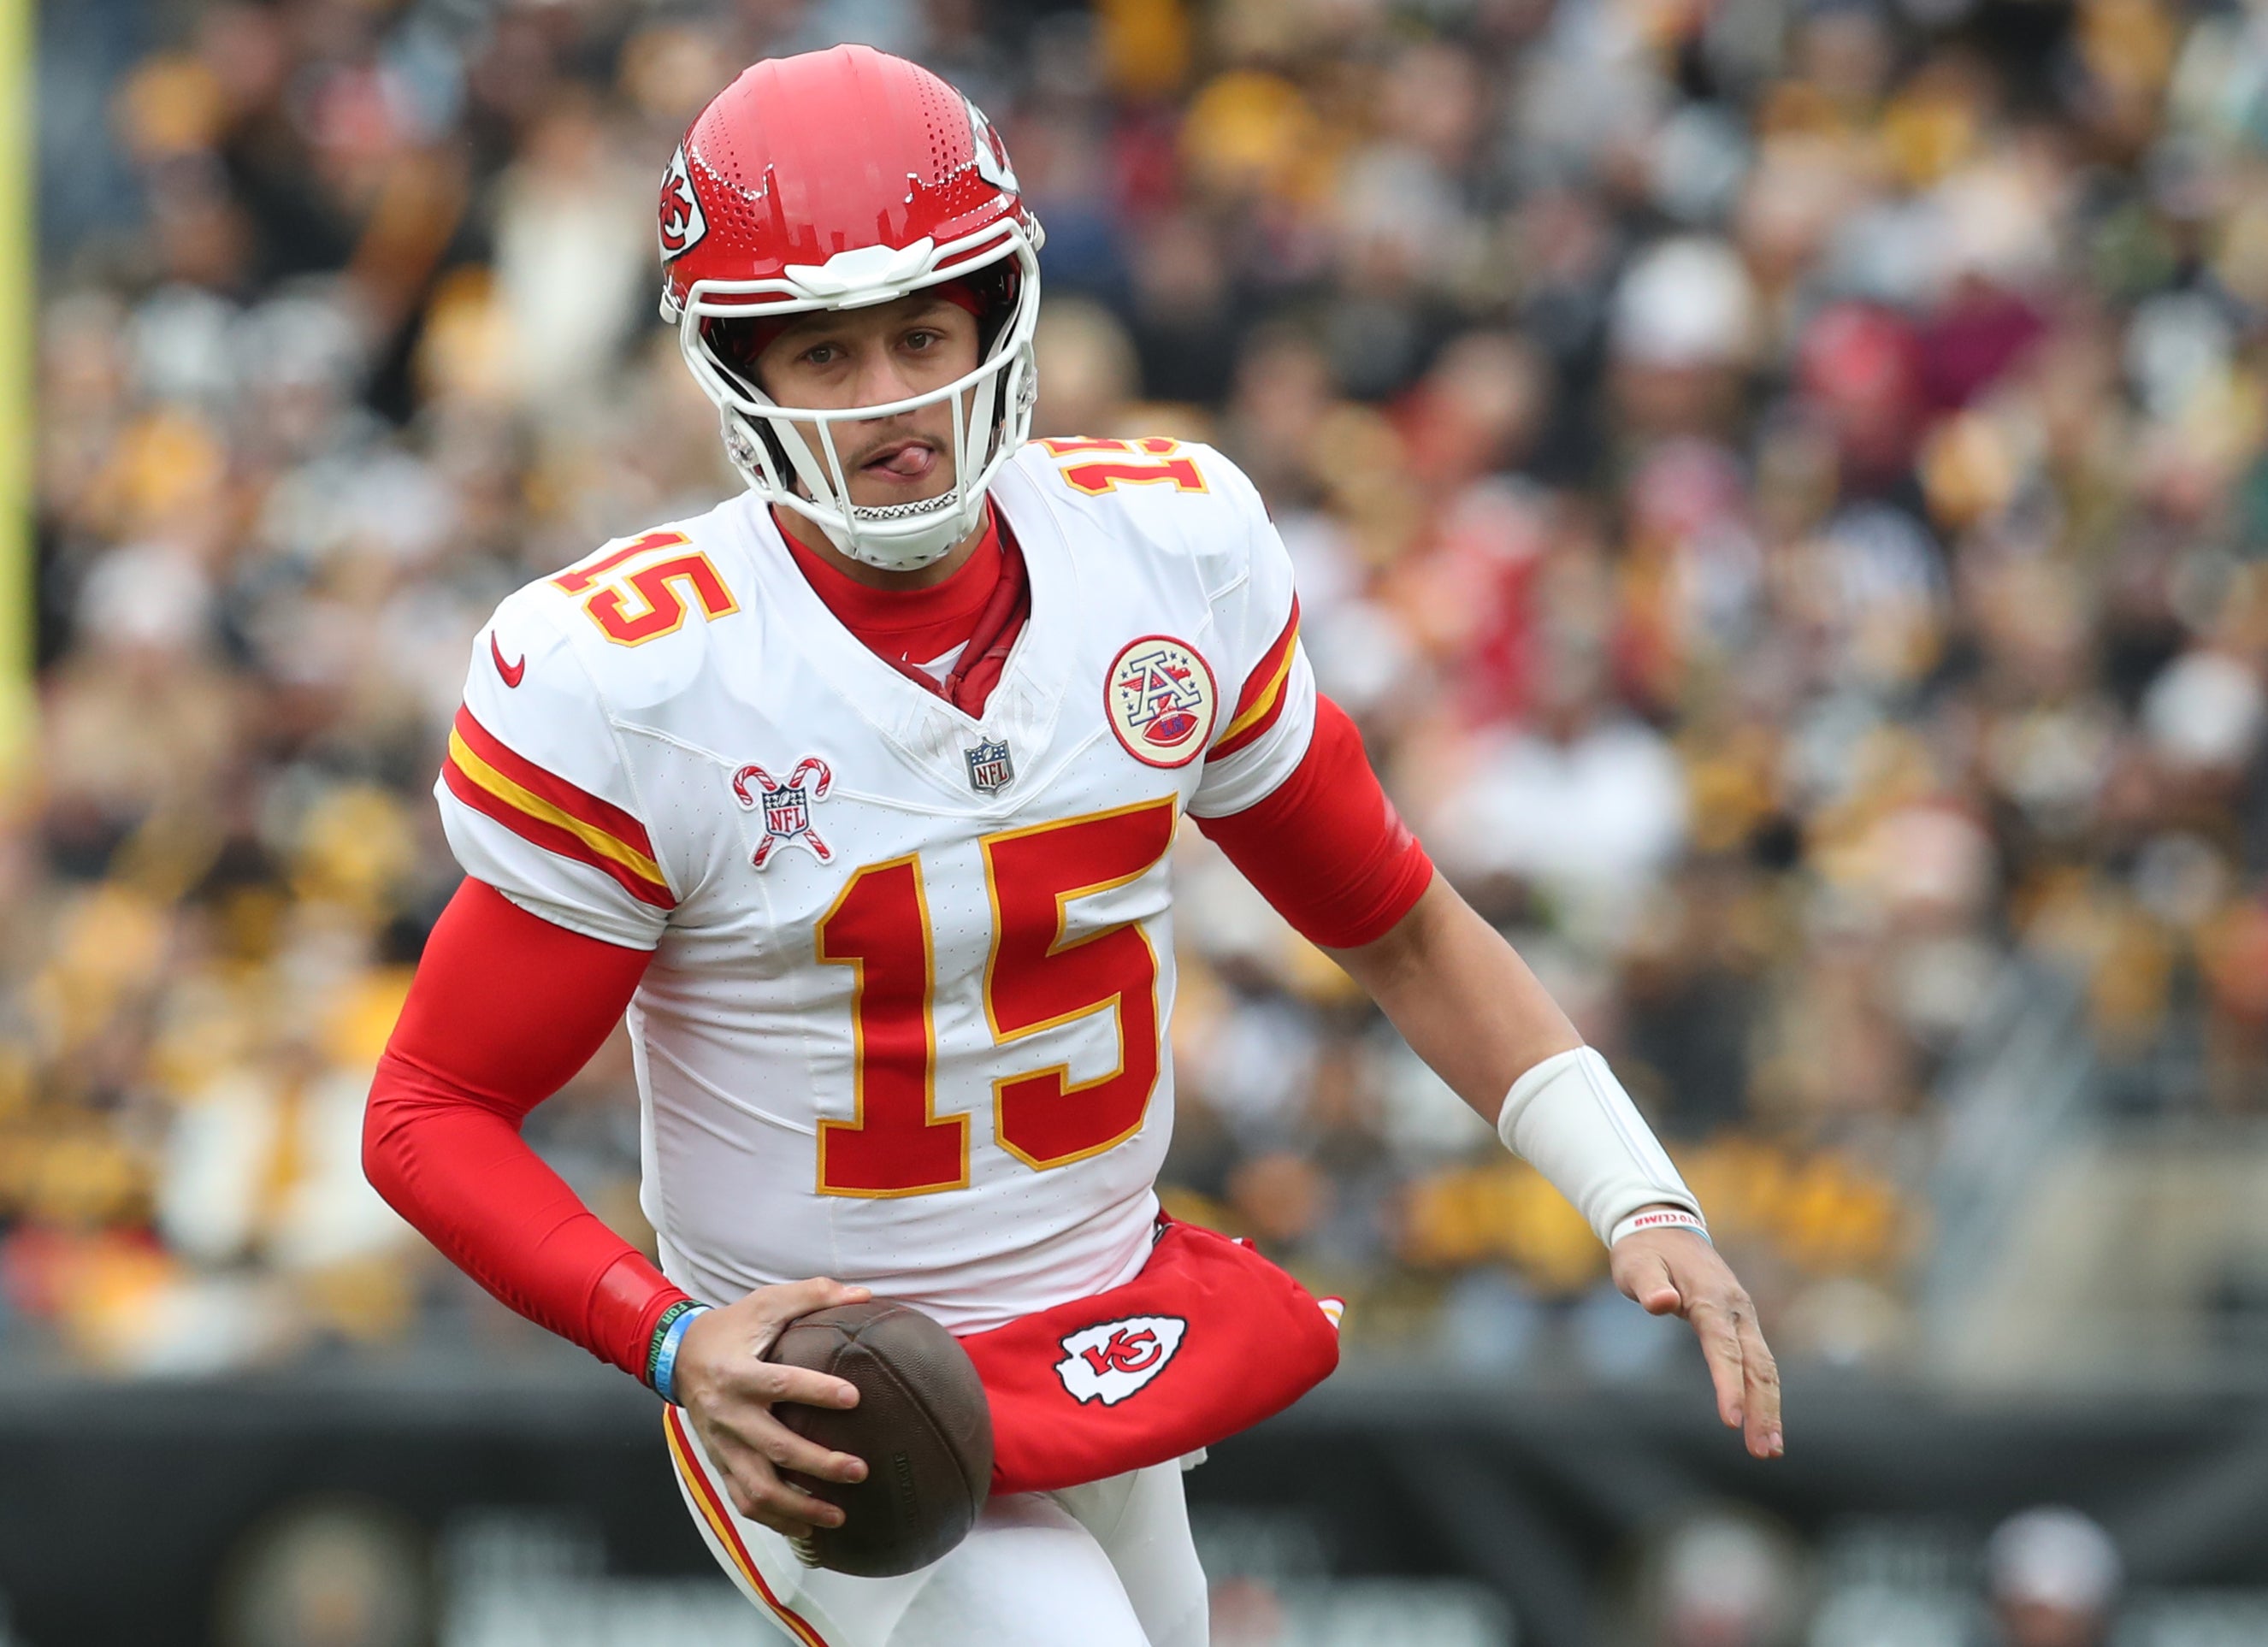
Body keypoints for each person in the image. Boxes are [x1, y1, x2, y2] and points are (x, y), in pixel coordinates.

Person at [362, 44, 1781, 1647]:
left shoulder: (1164, 554)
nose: (892, 396)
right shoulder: (647, 679)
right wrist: (672, 1333)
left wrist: (1638, 1197)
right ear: (741, 371)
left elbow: (1398, 924)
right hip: (847, 1396)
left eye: (919, 331)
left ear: (999, 313)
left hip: (1109, 1323)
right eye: (826, 353)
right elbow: (429, 1108)